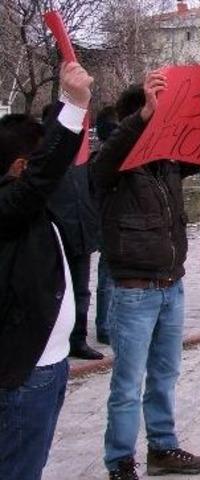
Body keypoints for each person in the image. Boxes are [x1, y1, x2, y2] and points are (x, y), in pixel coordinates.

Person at [93, 73, 200, 479]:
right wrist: (144, 116)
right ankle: (120, 461)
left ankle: (162, 447)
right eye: (159, 116)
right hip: (134, 293)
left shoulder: (167, 163)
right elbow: (107, 159)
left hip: (170, 286)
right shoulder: (115, 167)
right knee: (127, 384)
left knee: (164, 375)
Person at [0, 62, 91, 480]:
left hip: (49, 366)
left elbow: (47, 166)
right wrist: (75, 106)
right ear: (20, 168)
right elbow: (43, 174)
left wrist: (67, 102)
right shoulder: (8, 209)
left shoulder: (27, 209)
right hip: (24, 373)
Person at [45, 104, 103, 361]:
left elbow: (92, 194)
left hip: (82, 235)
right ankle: (50, 342)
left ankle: (78, 339)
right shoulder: (44, 163)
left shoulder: (82, 162)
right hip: (55, 240)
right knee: (54, 292)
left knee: (81, 291)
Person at [92, 107, 119, 346]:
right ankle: (105, 325)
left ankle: (109, 323)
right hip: (110, 223)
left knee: (112, 277)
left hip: (114, 222)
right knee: (109, 278)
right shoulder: (103, 159)